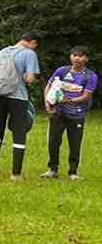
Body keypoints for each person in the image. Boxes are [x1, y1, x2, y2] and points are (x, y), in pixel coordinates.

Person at [0, 31, 43, 180]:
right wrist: (25, 76)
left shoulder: (3, 51)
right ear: (33, 42)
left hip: (0, 96)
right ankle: (15, 174)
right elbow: (30, 79)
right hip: (18, 97)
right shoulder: (29, 54)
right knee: (19, 133)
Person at [42, 46, 97, 180]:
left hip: (77, 115)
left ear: (86, 59)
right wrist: (47, 103)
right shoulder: (62, 70)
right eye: (74, 55)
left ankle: (73, 172)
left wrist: (69, 100)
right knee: (53, 141)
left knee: (75, 143)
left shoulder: (90, 76)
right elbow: (49, 87)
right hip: (58, 112)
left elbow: (86, 95)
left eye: (80, 55)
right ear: (71, 57)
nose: (77, 58)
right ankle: (52, 170)